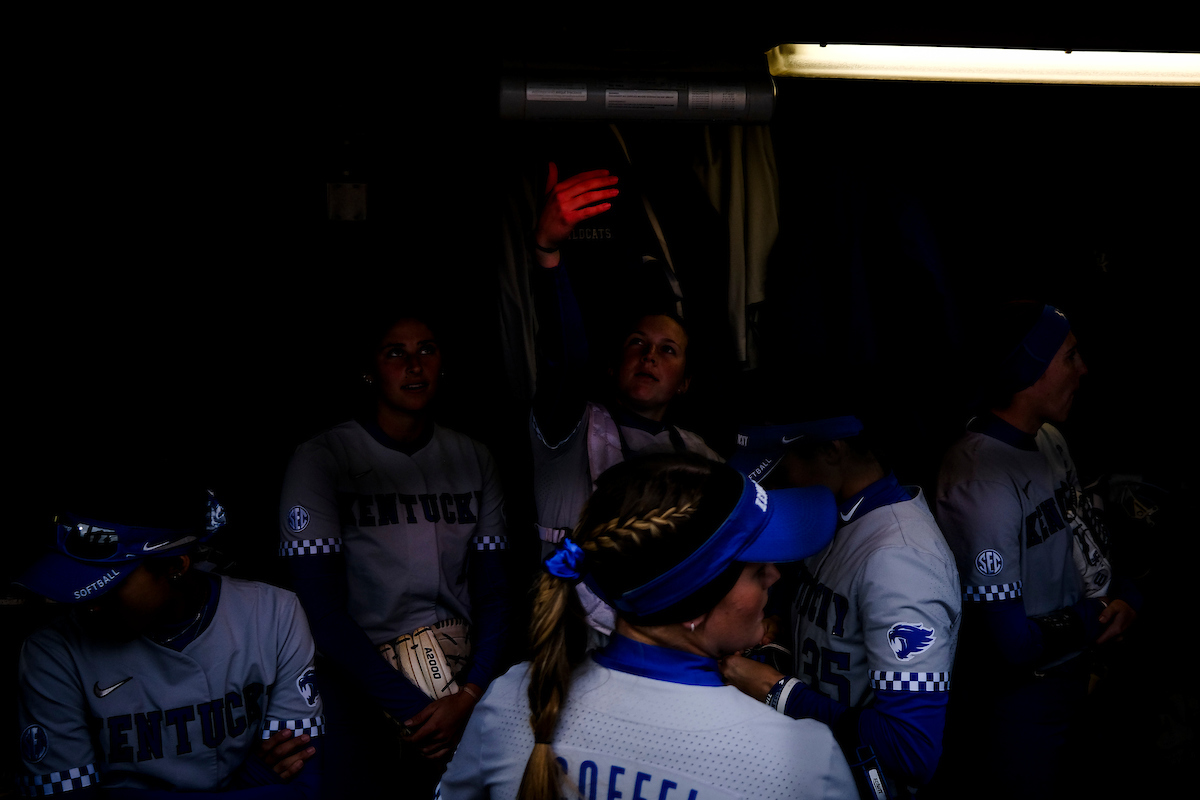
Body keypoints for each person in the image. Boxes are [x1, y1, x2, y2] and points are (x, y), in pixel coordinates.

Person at [439, 453, 858, 800]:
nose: (775, 577)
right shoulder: (801, 761)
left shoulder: (511, 699)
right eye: (756, 569)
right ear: (692, 605)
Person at [278, 312, 510, 798]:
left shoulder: (474, 456)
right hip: (357, 680)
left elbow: (494, 591)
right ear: (369, 370)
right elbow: (319, 609)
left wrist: (469, 695)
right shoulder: (322, 457)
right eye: (394, 353)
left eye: (426, 349)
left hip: (462, 675)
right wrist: (414, 709)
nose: (413, 365)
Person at [933, 302, 1139, 799]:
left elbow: (1088, 542)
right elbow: (1012, 643)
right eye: (1070, 357)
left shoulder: (1048, 438)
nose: (1084, 369)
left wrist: (1126, 596)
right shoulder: (978, 480)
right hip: (1021, 705)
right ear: (1030, 369)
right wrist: (1093, 617)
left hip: (1077, 673)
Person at [15, 488, 323, 798]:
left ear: (176, 565)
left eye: (108, 584)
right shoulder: (52, 651)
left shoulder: (274, 612)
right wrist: (251, 784)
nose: (90, 603)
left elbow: (303, 783)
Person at [719, 413, 961, 798]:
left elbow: (911, 748)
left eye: (781, 469)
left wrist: (777, 690)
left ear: (832, 451)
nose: (775, 485)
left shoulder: (901, 560)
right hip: (812, 770)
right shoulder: (838, 512)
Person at [530, 163, 721, 639]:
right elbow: (565, 360)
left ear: (685, 383)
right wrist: (548, 253)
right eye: (637, 343)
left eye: (667, 350)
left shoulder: (702, 457)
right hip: (573, 649)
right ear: (612, 366)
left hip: (665, 652)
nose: (650, 356)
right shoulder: (569, 427)